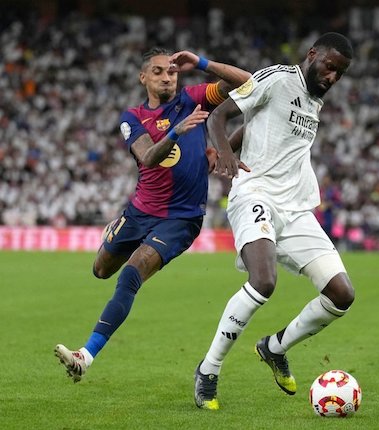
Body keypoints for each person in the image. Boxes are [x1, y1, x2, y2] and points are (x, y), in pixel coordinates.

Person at [54, 47, 251, 382]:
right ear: (143, 77)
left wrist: (202, 63)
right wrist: (177, 131)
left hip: (181, 219)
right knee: (100, 269)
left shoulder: (193, 98)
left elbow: (248, 83)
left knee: (130, 275)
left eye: (172, 71)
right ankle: (120, 234)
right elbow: (147, 158)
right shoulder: (132, 117)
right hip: (140, 211)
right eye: (158, 71)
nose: (167, 77)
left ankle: (84, 356)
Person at [193, 32, 355, 411]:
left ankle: (274, 347)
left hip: (297, 208)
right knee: (263, 281)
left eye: (340, 74)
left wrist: (233, 146)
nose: (332, 77)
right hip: (256, 195)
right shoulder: (278, 77)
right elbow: (219, 114)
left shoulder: (314, 101)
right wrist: (221, 155)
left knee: (342, 294)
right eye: (329, 67)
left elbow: (255, 127)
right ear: (312, 54)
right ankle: (208, 370)